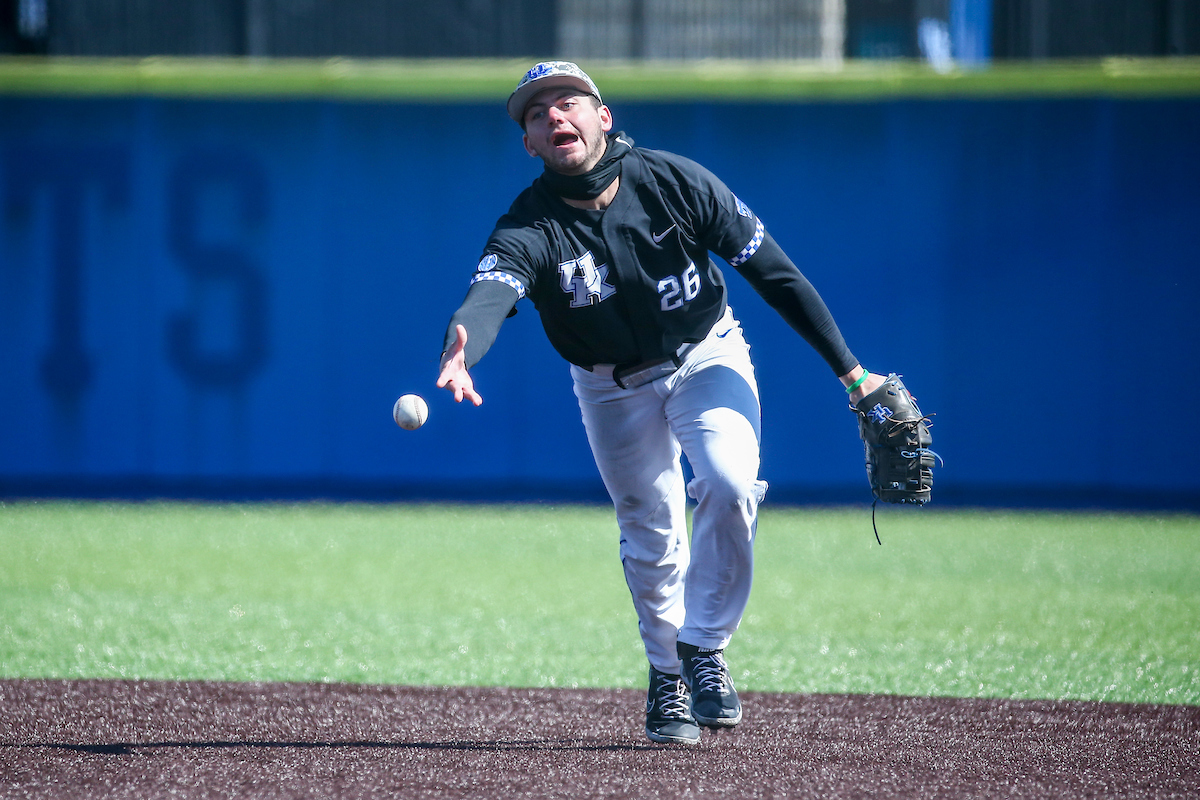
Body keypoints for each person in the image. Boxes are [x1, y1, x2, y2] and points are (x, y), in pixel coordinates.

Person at [436, 61, 886, 745]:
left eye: (567, 102)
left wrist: (853, 374)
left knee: (729, 483)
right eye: (536, 113)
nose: (554, 115)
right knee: (651, 529)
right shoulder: (529, 225)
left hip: (706, 354)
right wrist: (461, 346)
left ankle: (702, 645)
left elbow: (775, 274)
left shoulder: (675, 182)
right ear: (529, 143)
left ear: (603, 116)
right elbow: (491, 294)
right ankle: (666, 675)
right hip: (608, 385)